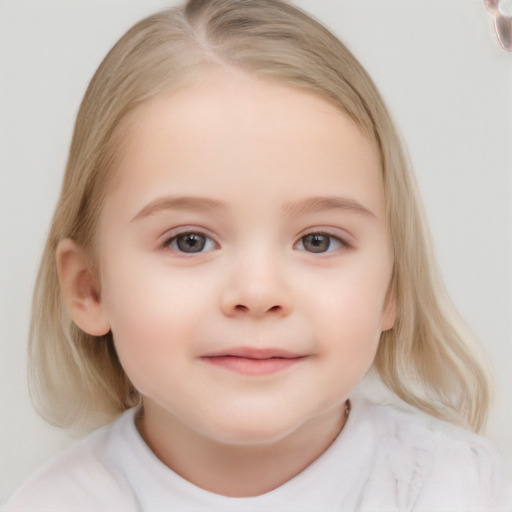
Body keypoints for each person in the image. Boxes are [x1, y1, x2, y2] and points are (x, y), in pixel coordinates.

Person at [3, 0, 510, 510]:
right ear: (89, 287)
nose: (259, 293)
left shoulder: (457, 490)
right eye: (189, 241)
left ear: (392, 284)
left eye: (318, 241)